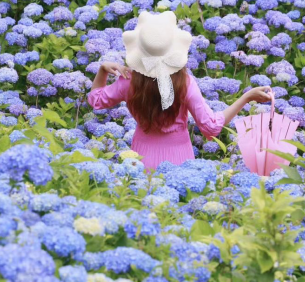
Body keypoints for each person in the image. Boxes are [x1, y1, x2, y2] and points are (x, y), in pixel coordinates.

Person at [87, 10, 272, 172]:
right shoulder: (185, 83)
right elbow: (211, 128)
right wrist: (246, 98)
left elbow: (96, 100)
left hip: (141, 161)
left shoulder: (128, 82)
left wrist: (103, 70)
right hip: (180, 162)